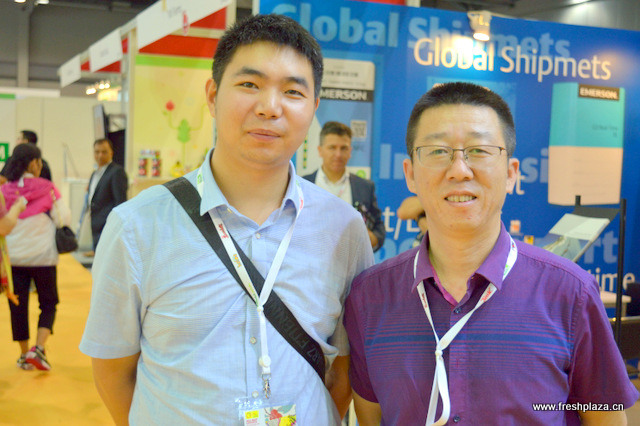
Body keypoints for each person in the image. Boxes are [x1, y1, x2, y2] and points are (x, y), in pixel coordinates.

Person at [80, 14, 373, 425]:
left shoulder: (344, 229)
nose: (270, 107)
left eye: (292, 91)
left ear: (313, 108)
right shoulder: (137, 226)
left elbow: (344, 368)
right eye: (250, 85)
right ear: (213, 95)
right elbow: (113, 371)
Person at [344, 82, 639, 425]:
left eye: (479, 150)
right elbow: (370, 418)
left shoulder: (571, 293)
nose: (459, 169)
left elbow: (605, 417)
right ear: (410, 174)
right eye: (437, 151)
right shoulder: (370, 297)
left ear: (511, 174)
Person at [1, 143, 71, 371]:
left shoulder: (5, 189)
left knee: (17, 305)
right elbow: (63, 218)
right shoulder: (48, 188)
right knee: (48, 302)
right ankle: (39, 349)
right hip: (43, 256)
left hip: (14, 258)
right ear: (34, 163)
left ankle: (24, 355)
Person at [303, 121, 385, 251]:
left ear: (350, 151)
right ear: (320, 150)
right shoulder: (303, 185)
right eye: (332, 148)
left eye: (343, 148)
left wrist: (367, 237)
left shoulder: (365, 187)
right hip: (309, 259)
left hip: (352, 261)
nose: (338, 155)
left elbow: (379, 230)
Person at [84, 138, 128, 256]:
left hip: (108, 221)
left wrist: (116, 222)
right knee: (99, 253)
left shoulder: (117, 172)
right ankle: (95, 250)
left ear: (111, 153)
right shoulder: (95, 173)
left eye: (104, 152)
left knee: (106, 255)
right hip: (96, 219)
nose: (100, 155)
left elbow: (120, 201)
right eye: (97, 152)